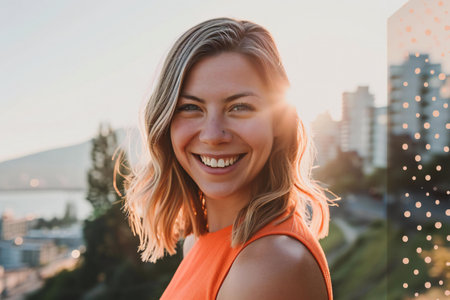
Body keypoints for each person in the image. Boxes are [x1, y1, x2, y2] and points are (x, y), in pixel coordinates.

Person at [115, 17, 338, 300]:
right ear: (166, 123)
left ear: (278, 124)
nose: (213, 135)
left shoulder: (267, 266)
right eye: (190, 107)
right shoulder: (199, 243)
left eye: (239, 107)